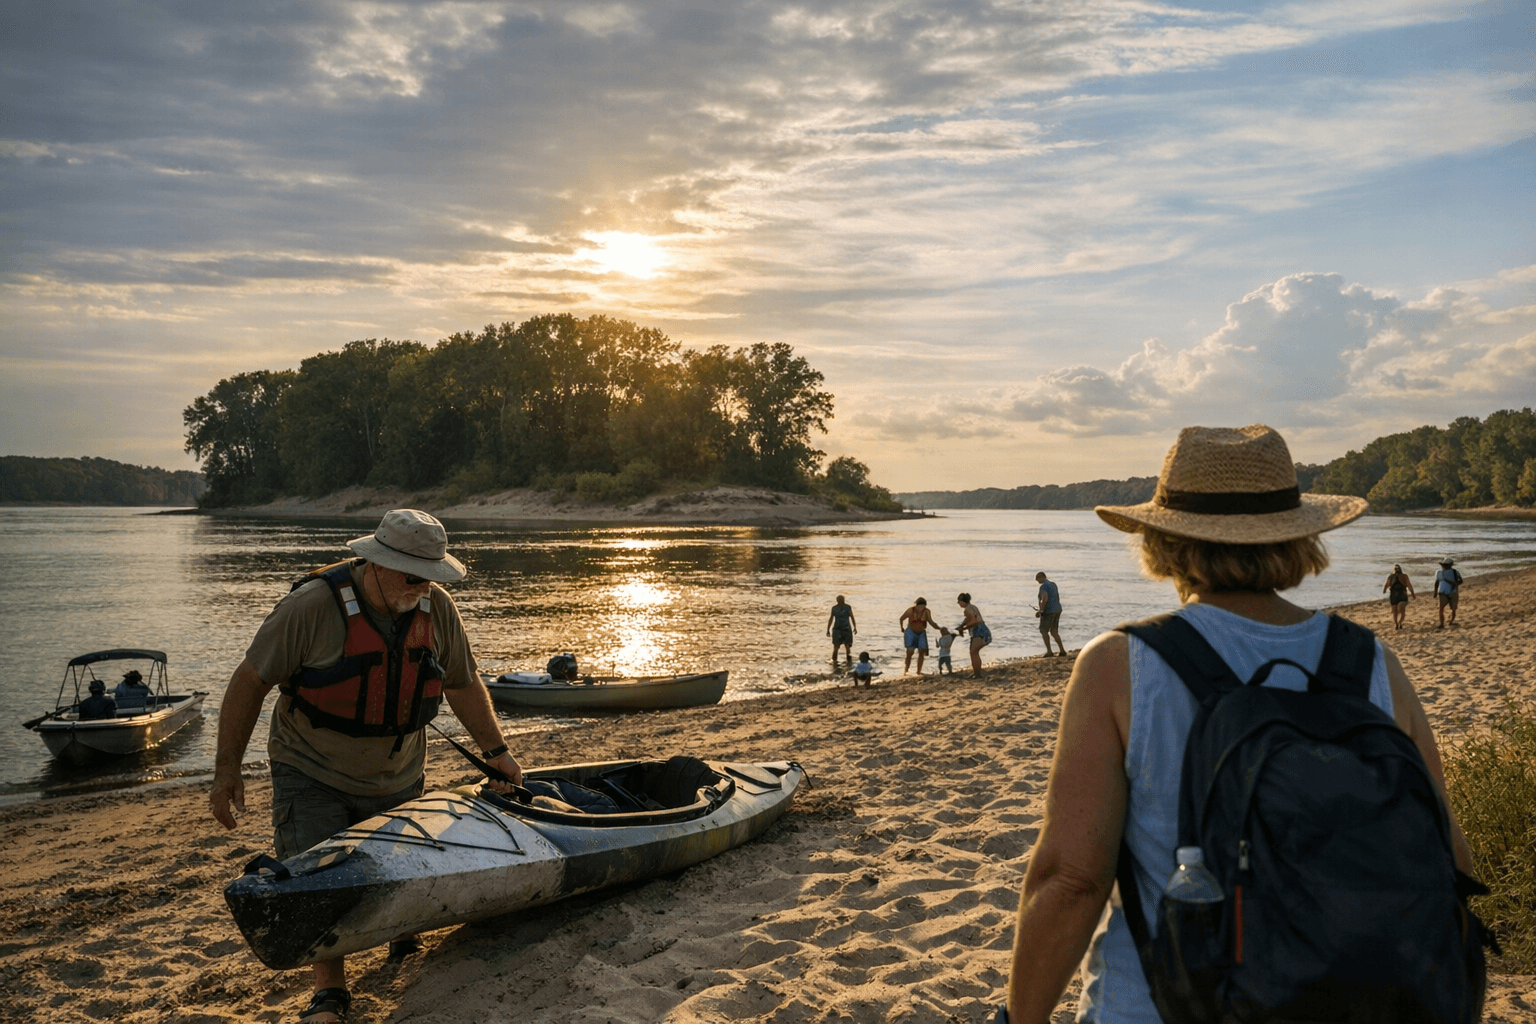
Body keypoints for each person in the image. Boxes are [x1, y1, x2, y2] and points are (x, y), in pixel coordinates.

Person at [1003, 425, 1474, 1024]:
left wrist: (1020, 1016)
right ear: (1299, 533)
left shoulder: (1121, 665)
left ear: (1163, 538)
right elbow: (1448, 860)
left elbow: (1070, 879)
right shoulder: (1372, 663)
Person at [208, 509, 524, 1024]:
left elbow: (463, 683)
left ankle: (403, 938)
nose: (423, 588)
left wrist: (496, 752)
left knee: (400, 859)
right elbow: (249, 682)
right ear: (375, 563)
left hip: (397, 769)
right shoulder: (311, 607)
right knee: (316, 871)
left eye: (431, 577)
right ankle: (330, 991)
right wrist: (227, 772)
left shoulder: (436, 608)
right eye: (413, 577)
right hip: (310, 766)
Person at [955, 593, 991, 677]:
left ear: (963, 601)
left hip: (978, 631)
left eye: (959, 601)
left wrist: (963, 629)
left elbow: (975, 621)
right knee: (974, 652)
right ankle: (976, 673)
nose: (958, 603)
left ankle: (977, 674)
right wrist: (961, 625)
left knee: (973, 653)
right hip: (983, 630)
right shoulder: (973, 607)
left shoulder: (967, 609)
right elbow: (969, 618)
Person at [899, 597, 935, 674]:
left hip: (921, 632)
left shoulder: (927, 611)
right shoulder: (910, 610)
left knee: (922, 652)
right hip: (911, 632)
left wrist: (938, 628)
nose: (921, 608)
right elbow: (901, 618)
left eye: (923, 606)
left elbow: (931, 622)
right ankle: (906, 670)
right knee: (910, 652)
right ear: (916, 605)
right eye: (920, 606)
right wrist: (902, 628)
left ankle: (918, 671)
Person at [1035, 572, 1064, 656]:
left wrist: (1041, 611)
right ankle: (1062, 650)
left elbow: (1044, 598)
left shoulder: (1044, 586)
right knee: (1054, 631)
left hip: (1049, 611)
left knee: (1044, 631)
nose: (1037, 581)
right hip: (1057, 609)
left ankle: (1049, 651)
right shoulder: (1053, 584)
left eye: (1037, 579)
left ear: (1041, 577)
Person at [826, 595, 858, 666]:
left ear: (837, 600)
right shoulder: (847, 607)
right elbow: (852, 617)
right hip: (845, 628)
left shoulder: (835, 608)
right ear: (844, 600)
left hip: (838, 629)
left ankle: (834, 662)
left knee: (836, 647)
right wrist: (854, 627)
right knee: (847, 646)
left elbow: (831, 619)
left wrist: (828, 629)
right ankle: (849, 663)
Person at [1383, 563, 1414, 630]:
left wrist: (1412, 593)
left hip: (1403, 595)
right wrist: (1384, 590)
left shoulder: (1404, 576)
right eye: (1395, 569)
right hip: (1393, 595)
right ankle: (1396, 624)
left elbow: (1409, 585)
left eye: (1397, 568)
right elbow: (1387, 584)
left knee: (1400, 609)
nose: (1396, 570)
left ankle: (1400, 622)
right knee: (1394, 611)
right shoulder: (1391, 577)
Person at [1434, 556, 1463, 628]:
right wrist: (1435, 592)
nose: (1444, 566)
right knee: (1441, 609)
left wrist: (1455, 585)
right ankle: (1442, 623)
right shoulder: (1439, 572)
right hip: (1443, 593)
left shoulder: (1455, 572)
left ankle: (1451, 621)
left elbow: (1461, 581)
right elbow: (1437, 582)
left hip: (1453, 592)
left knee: (1453, 609)